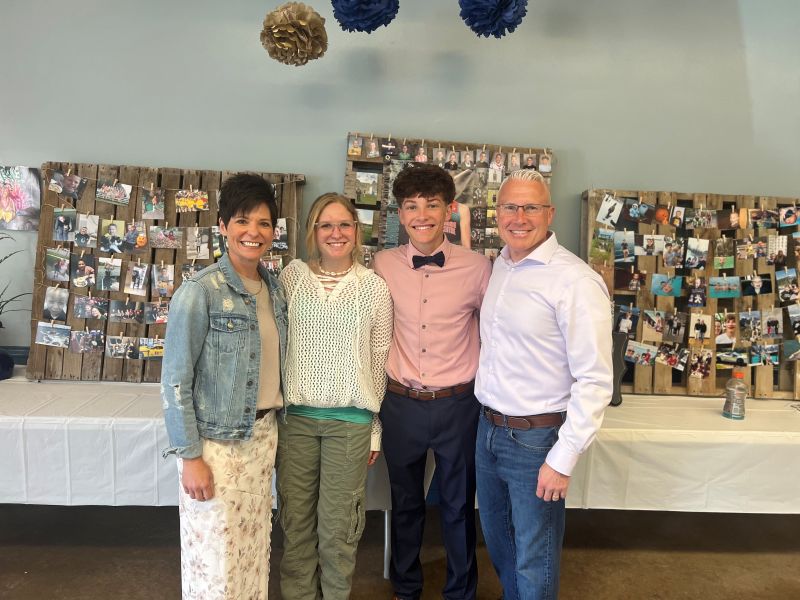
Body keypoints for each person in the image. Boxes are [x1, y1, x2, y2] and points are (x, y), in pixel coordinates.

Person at [474, 169, 613, 600]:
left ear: (550, 213)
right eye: (509, 207)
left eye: (530, 207)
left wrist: (563, 458)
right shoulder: (501, 265)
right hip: (488, 430)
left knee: (534, 557)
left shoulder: (575, 281)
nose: (519, 217)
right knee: (501, 544)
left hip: (536, 441)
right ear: (497, 213)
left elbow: (595, 379)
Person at [161, 173, 287, 599]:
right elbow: (175, 381)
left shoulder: (274, 289)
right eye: (242, 221)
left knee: (251, 554)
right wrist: (191, 456)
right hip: (216, 448)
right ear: (223, 226)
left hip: (263, 440)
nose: (254, 232)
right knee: (214, 563)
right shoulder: (200, 291)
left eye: (264, 223)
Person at [372, 163, 491, 600]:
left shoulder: (479, 268)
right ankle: (406, 589)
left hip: (459, 405)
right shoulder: (381, 265)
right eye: (411, 206)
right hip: (400, 403)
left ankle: (461, 591)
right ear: (400, 214)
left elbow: (497, 333)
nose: (421, 215)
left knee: (458, 505)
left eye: (432, 205)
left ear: (449, 210)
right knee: (405, 503)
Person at [276, 193, 393, 600]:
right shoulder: (291, 278)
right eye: (326, 225)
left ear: (356, 231)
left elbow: (378, 360)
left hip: (351, 425)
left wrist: (375, 428)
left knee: (339, 530)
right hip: (296, 422)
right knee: (296, 525)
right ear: (313, 231)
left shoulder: (374, 288)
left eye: (344, 224)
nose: (336, 233)